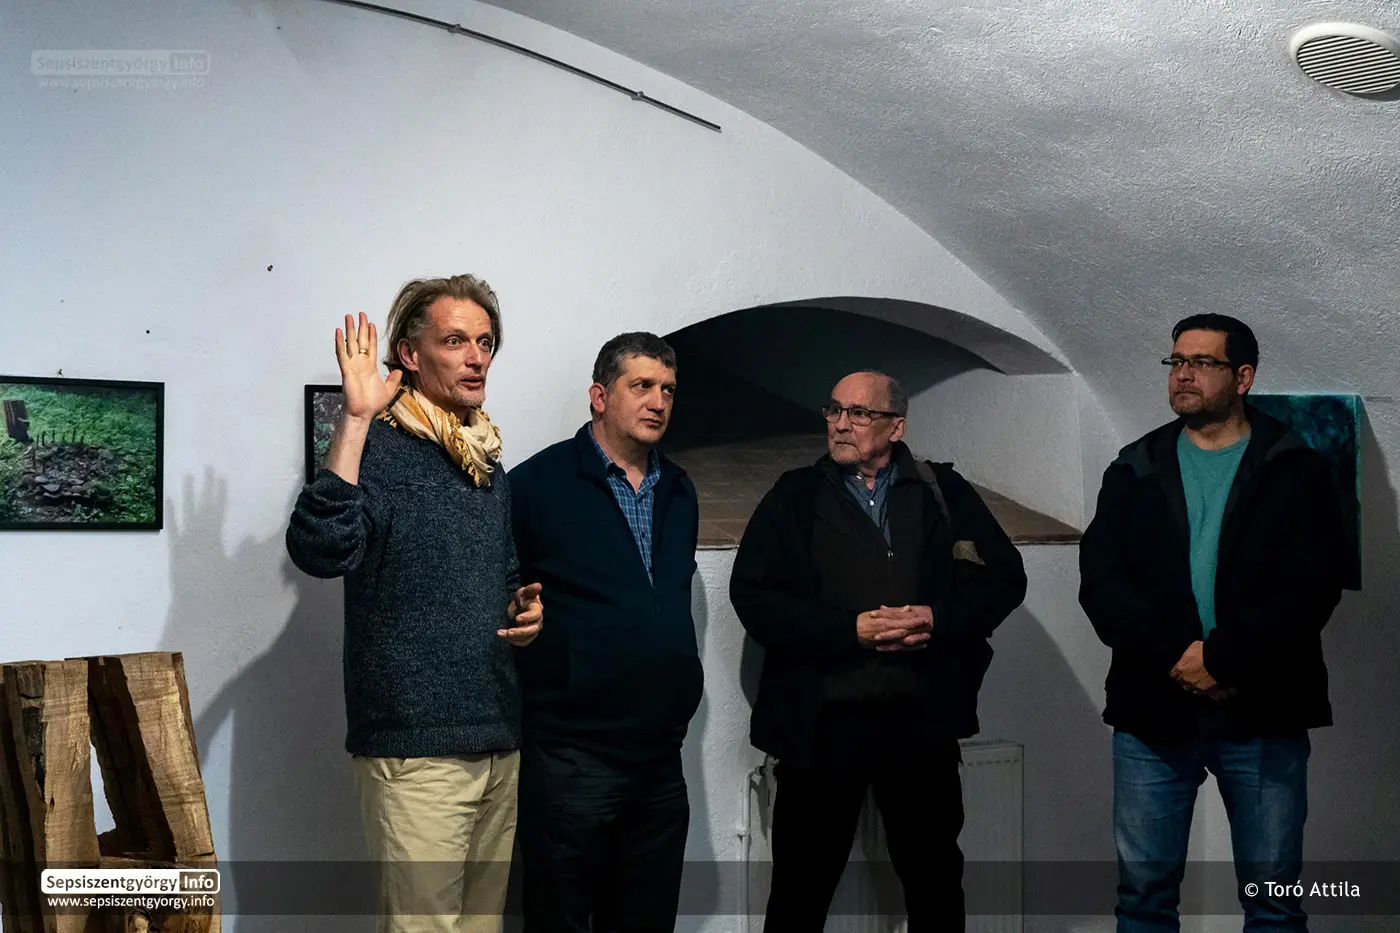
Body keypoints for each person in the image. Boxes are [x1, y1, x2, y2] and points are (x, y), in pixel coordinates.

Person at [285, 274, 543, 933]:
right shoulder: (377, 451)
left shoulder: (485, 459)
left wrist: (523, 608)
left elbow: (502, 572)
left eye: (484, 342)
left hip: (496, 738)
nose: (476, 357)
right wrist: (355, 418)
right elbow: (320, 549)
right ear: (409, 353)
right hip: (416, 750)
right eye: (455, 341)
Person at [730, 370, 1027, 933]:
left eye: (860, 413)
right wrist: (849, 630)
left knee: (934, 880)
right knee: (800, 887)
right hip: (822, 725)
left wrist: (936, 618)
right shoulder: (795, 495)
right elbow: (754, 597)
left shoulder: (941, 490)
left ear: (897, 426)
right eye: (834, 410)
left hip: (919, 722)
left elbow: (1004, 579)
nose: (841, 424)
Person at [1080, 314, 1348, 933]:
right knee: (1143, 899)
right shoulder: (1135, 467)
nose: (1184, 374)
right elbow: (1103, 584)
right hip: (1153, 710)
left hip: (1263, 708)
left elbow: (1308, 588)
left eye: (1202, 362)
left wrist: (1222, 661)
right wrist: (1179, 658)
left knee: (1273, 902)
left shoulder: (1293, 467)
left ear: (1244, 377)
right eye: (1176, 361)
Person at [506, 332, 702, 933]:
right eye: (641, 386)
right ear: (599, 395)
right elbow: (500, 591)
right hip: (572, 757)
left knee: (646, 922)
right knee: (559, 921)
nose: (658, 402)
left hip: (660, 758)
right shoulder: (537, 484)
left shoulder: (679, 490)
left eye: (668, 389)